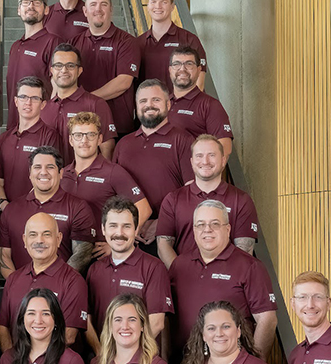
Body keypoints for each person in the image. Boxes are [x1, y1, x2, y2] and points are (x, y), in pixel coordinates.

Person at [168, 200, 276, 362]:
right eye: (201, 224)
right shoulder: (179, 265)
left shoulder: (250, 266)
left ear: (227, 229)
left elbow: (267, 319)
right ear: (194, 230)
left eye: (215, 224)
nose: (207, 230)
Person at [112, 79, 195, 246]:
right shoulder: (123, 144)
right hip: (128, 237)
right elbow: (112, 190)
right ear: (136, 106)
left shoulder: (183, 140)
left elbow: (193, 191)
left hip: (171, 235)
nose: (149, 105)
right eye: (143, 101)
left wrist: (162, 223)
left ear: (168, 104)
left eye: (155, 100)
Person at [157, 135, 259, 267]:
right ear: (192, 161)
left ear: (223, 160)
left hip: (227, 283)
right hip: (183, 282)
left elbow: (245, 251)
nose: (205, 161)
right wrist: (181, 275)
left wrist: (219, 278)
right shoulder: (173, 199)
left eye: (211, 155)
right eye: (199, 156)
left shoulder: (241, 200)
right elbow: (163, 245)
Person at [0, 212, 92, 351]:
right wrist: (13, 361)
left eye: (46, 234)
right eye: (33, 235)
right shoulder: (13, 279)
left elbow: (69, 336)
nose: (39, 240)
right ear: (24, 240)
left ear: (59, 239)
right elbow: (2, 328)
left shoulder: (73, 281)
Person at [86, 197, 171, 351]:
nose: (119, 233)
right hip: (102, 362)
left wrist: (129, 357)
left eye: (126, 226)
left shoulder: (154, 267)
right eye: (113, 226)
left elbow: (157, 323)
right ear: (103, 229)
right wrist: (101, 354)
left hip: (140, 362)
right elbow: (88, 320)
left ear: (136, 229)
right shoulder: (94, 270)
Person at [0, 146, 96, 276]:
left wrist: (56, 286)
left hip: (62, 291)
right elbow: (3, 256)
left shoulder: (78, 207)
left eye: (50, 167)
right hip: (22, 292)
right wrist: (18, 286)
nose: (43, 172)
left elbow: (82, 255)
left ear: (61, 173)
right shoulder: (11, 209)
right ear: (30, 173)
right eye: (37, 167)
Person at [61, 112, 149, 256]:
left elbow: (144, 208)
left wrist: (115, 243)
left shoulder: (113, 172)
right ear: (71, 140)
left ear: (100, 139)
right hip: (66, 252)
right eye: (78, 135)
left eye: (90, 135)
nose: (84, 140)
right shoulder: (62, 174)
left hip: (98, 255)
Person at [69, 0, 139, 139]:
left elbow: (124, 82)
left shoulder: (127, 42)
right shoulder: (74, 43)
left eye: (104, 4)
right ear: (85, 11)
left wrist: (86, 100)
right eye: (93, 4)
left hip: (118, 125)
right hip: (82, 125)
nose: (98, 9)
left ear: (111, 9)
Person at [0, 76, 64, 205]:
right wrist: (4, 205)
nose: (28, 102)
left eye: (35, 98)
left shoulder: (50, 136)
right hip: (6, 211)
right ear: (16, 101)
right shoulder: (4, 138)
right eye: (23, 97)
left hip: (37, 211)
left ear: (43, 104)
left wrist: (25, 208)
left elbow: (51, 179)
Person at [41, 43, 116, 157]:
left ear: (79, 70)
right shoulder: (44, 108)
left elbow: (107, 150)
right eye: (58, 65)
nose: (64, 70)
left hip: (85, 174)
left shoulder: (96, 104)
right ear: (52, 70)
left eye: (70, 65)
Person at [6, 0, 63, 130]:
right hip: (15, 127)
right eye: (26, 2)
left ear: (46, 9)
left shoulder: (52, 42)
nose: (30, 6)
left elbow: (58, 86)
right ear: (19, 10)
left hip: (39, 128)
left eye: (37, 2)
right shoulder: (15, 46)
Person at [136, 0, 207, 91]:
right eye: (153, 2)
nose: (158, 6)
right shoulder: (137, 43)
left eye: (164, 2)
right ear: (148, 6)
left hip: (181, 106)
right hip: (149, 106)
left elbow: (199, 83)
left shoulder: (189, 40)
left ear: (172, 6)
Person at [168, 46, 234, 157]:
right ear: (170, 70)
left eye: (189, 64)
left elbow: (224, 149)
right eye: (176, 64)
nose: (182, 69)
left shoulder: (210, 105)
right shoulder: (162, 104)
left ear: (199, 70)